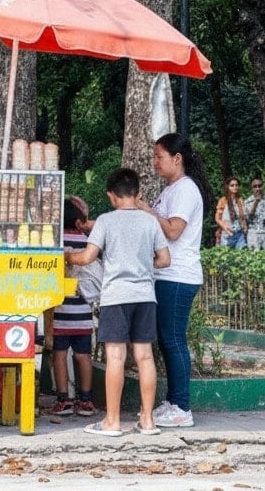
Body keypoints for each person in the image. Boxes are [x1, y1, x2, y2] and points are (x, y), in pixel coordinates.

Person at [68, 168, 170, 437]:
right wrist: (142, 265)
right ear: (138, 194)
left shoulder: (105, 220)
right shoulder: (150, 222)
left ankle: (112, 422)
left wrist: (68, 256)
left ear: (111, 197)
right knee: (145, 356)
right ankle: (147, 421)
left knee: (115, 356)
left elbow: (88, 257)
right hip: (146, 296)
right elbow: (165, 259)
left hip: (116, 297)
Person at [138, 132, 211, 429]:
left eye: (159, 156)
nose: (155, 162)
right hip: (165, 274)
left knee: (173, 339)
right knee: (167, 340)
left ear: (177, 159)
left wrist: (145, 209)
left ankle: (182, 406)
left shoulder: (185, 189)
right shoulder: (171, 189)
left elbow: (172, 230)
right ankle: (173, 400)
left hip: (178, 275)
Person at [50, 197, 97, 417]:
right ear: (79, 220)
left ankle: (63, 400)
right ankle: (86, 400)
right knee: (83, 355)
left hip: (59, 309)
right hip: (83, 308)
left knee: (59, 355)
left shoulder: (55, 240)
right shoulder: (87, 240)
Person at [244, 177, 265, 250]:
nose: (258, 188)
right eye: (255, 186)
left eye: (260, 186)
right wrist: (256, 202)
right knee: (253, 257)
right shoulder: (247, 201)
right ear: (251, 188)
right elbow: (247, 218)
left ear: (263, 186)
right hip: (253, 233)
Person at [214, 177, 247, 248]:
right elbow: (217, 218)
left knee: (241, 255)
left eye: (236, 185)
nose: (235, 187)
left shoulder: (240, 200)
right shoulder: (223, 200)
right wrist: (225, 228)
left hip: (239, 234)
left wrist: (245, 228)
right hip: (227, 235)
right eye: (232, 185)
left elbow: (242, 217)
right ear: (227, 187)